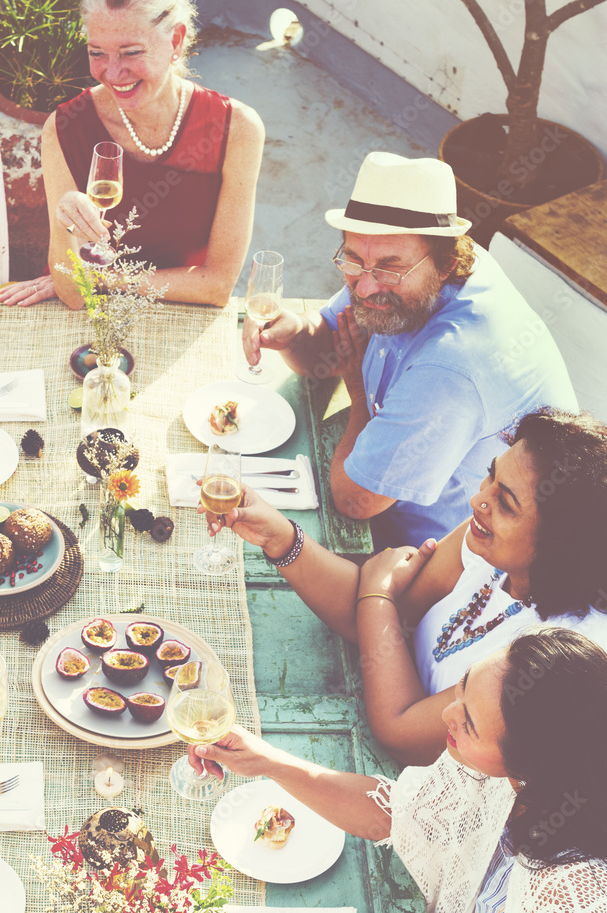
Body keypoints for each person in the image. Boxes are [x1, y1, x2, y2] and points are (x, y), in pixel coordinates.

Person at [203, 409, 607, 765]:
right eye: (490, 475)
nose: (478, 500)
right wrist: (280, 538)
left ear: (561, 545)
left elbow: (401, 733)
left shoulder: (556, 656)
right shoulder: (490, 541)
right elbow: (369, 619)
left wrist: (378, 592)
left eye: (506, 503)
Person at [244, 151, 576, 547]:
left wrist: (357, 393)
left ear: (446, 262)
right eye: (353, 261)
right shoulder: (411, 268)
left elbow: (354, 499)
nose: (365, 287)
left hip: (450, 561)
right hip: (383, 497)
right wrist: (294, 331)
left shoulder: (454, 364)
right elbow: (330, 347)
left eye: (388, 268)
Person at [190, 629, 607, 912]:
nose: (446, 713)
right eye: (462, 687)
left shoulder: (572, 893)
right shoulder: (502, 773)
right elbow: (399, 814)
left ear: (532, 762)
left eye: (470, 724)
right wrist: (266, 760)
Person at [0, 0, 264, 309]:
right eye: (96, 53)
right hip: (95, 315)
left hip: (181, 311)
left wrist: (103, 278)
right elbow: (73, 294)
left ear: (175, 41)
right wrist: (64, 227)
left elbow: (217, 286)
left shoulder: (237, 129)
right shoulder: (63, 128)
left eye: (131, 52)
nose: (112, 73)